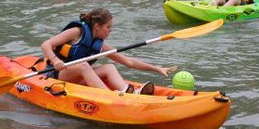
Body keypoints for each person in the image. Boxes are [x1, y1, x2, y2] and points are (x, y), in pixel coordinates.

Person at [40, 8, 175, 95]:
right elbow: (46, 44)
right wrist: (55, 60)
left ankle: (127, 91)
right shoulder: (76, 32)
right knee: (84, 65)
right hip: (57, 74)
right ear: (97, 26)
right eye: (108, 27)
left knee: (109, 67)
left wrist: (157, 68)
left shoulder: (100, 46)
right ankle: (110, 96)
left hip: (78, 78)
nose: (111, 30)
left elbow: (128, 61)